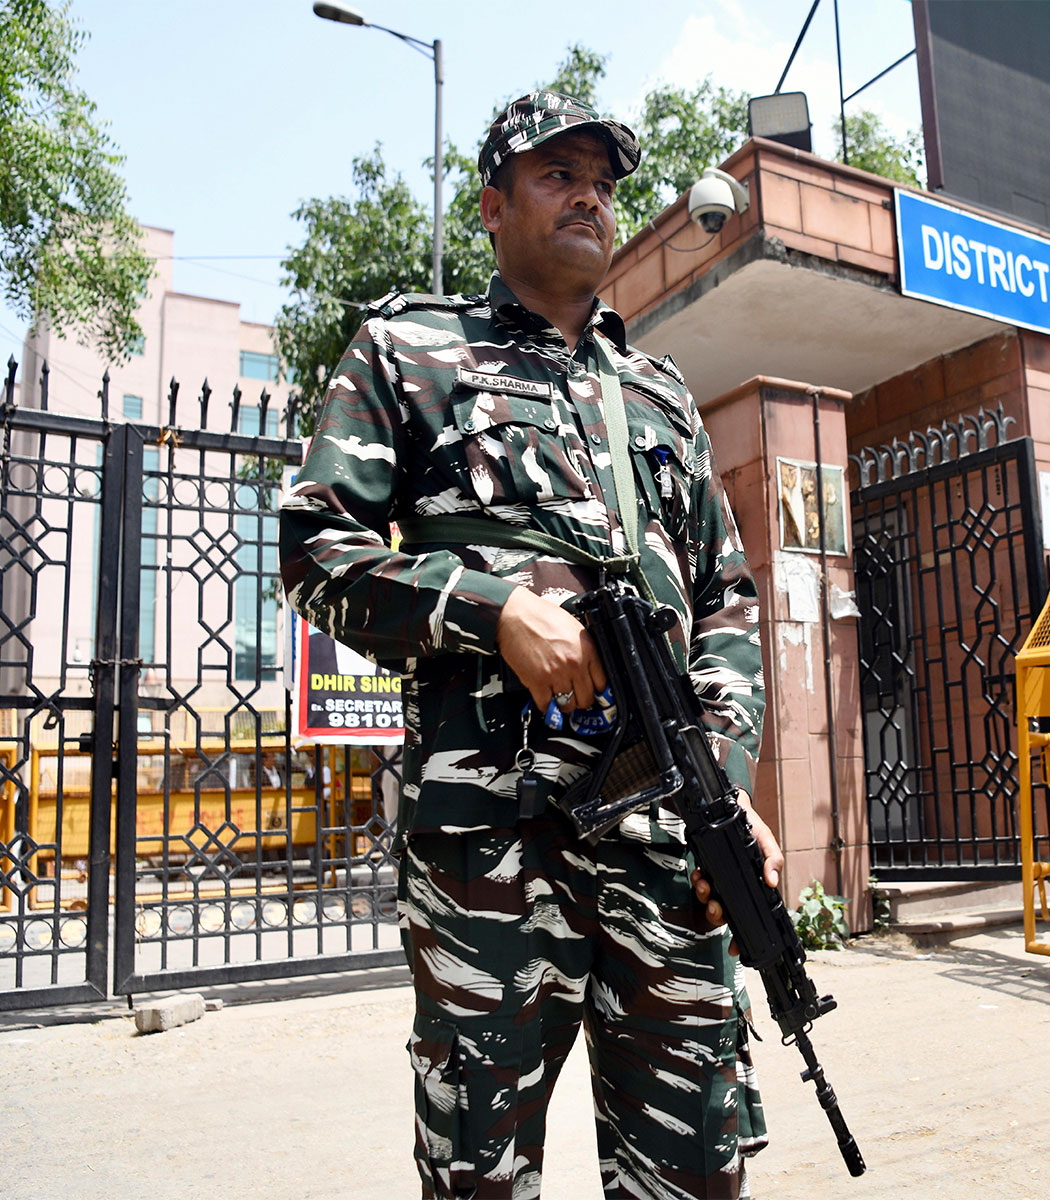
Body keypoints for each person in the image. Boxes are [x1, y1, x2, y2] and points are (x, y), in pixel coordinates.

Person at [280, 91, 778, 1200]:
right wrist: (488, 609)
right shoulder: (409, 351)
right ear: (495, 206)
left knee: (698, 1164)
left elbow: (727, 605)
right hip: (492, 853)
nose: (591, 194)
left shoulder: (659, 395)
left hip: (665, 853)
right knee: (480, 1174)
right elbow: (315, 550)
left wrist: (728, 788)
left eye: (603, 179)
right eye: (559, 174)